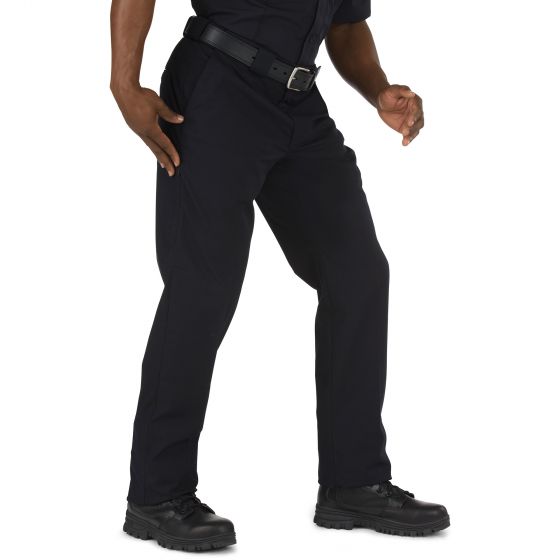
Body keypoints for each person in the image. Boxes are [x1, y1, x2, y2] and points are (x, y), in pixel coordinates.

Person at [110, 0, 449, 551]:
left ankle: (353, 481)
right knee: (204, 288)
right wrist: (125, 84)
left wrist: (378, 89)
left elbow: (346, 24)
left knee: (358, 274)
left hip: (298, 103)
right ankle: (157, 494)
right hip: (217, 88)